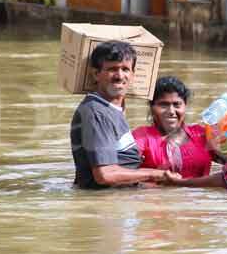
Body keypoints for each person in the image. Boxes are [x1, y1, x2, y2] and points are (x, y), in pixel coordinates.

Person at [70, 41, 173, 189]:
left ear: (133, 75)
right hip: (106, 205)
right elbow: (105, 175)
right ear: (96, 74)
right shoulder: (96, 112)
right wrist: (155, 174)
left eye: (125, 69)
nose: (119, 76)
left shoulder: (113, 108)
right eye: (112, 69)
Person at [132, 76, 213, 178]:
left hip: (200, 193)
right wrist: (156, 174)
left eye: (177, 104)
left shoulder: (201, 134)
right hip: (157, 193)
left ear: (185, 106)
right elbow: (123, 171)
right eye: (163, 105)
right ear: (151, 108)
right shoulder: (142, 137)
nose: (171, 111)